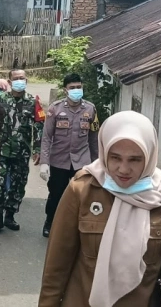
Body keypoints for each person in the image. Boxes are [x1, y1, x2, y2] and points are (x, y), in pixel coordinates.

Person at [38, 111, 161, 307]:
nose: (123, 169)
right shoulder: (82, 189)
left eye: (134, 159)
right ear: (104, 152)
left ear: (149, 155)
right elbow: (56, 268)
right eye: (115, 157)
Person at [39, 73, 99, 238]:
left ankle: (76, 227)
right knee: (56, 194)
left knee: (81, 195)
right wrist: (44, 162)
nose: (76, 90)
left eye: (78, 87)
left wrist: (97, 163)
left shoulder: (90, 109)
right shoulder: (55, 109)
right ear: (65, 90)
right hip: (59, 160)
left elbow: (94, 138)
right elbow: (46, 137)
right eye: (72, 88)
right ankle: (50, 221)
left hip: (81, 162)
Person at [0, 69, 44, 235]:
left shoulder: (33, 102)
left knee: (18, 186)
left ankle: (10, 216)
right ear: (10, 81)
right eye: (16, 78)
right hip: (1, 153)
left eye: (23, 78)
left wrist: (37, 149)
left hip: (22, 153)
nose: (20, 81)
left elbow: (40, 125)